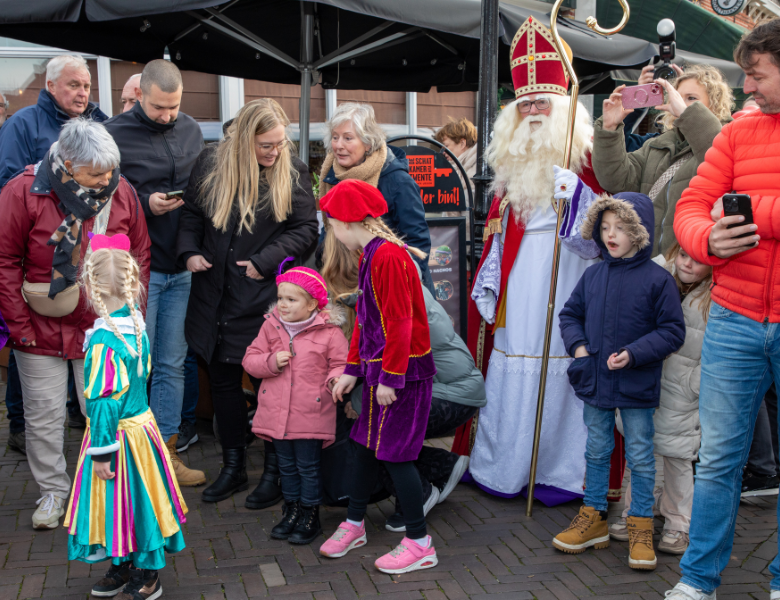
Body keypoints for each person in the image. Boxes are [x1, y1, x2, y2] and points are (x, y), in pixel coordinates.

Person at [457, 16, 614, 505]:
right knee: (515, 358)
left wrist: (582, 198)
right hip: (521, 280)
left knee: (564, 363)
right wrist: (489, 283)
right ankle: (507, 465)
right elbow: (500, 232)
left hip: (571, 276)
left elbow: (610, 233)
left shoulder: (587, 154)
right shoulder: (512, 160)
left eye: (542, 102)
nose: (533, 110)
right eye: (525, 103)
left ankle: (559, 471)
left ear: (565, 106)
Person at [666, 19, 780, 600]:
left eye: (757, 75)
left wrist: (748, 214)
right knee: (716, 462)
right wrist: (706, 240)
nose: (749, 87)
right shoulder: (737, 133)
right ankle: (697, 580)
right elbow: (692, 205)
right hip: (734, 314)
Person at [0, 119, 150, 530]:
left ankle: (105, 489)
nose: (106, 181)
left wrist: (131, 314)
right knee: (44, 416)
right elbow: (5, 261)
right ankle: (53, 492)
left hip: (101, 326)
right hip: (39, 327)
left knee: (103, 409)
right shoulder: (23, 191)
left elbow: (139, 254)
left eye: (110, 171)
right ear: (66, 164)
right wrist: (19, 326)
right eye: (96, 173)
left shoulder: (122, 191)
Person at [178, 98, 318, 506]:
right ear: (242, 141)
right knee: (222, 382)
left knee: (269, 386)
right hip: (213, 295)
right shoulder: (210, 164)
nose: (275, 152)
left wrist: (265, 261)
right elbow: (190, 214)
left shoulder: (292, 171)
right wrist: (188, 251)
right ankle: (233, 467)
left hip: (260, 296)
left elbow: (306, 228)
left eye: (279, 144)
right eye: (266, 145)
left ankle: (275, 472)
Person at [555, 189, 685, 570]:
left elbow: (672, 331)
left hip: (636, 383)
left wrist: (635, 353)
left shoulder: (658, 280)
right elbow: (570, 315)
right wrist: (579, 348)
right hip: (595, 380)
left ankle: (640, 525)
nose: (611, 235)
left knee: (641, 455)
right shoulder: (594, 275)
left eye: (621, 228)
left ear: (640, 231)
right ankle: (593, 516)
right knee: (596, 447)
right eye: (605, 227)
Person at [321, 179, 437, 574]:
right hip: (381, 373)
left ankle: (420, 542)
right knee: (365, 446)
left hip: (401, 375)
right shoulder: (373, 253)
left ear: (347, 221)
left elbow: (401, 322)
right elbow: (368, 323)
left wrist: (390, 377)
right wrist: (354, 370)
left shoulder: (386, 257)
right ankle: (355, 523)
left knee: (397, 456)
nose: (330, 229)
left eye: (331, 221)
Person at [65, 234, 186, 600]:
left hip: (116, 437)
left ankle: (146, 575)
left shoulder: (105, 339)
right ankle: (126, 566)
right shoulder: (134, 322)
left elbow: (102, 402)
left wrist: (101, 451)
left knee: (125, 501)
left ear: (89, 286)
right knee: (139, 500)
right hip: (142, 432)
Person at [104, 59, 206, 487]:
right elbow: (102, 195)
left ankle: (166, 454)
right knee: (133, 364)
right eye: (160, 107)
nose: (168, 116)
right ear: (139, 94)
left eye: (174, 107)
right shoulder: (111, 134)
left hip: (179, 264)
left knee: (170, 362)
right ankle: (129, 455)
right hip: (133, 270)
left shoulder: (192, 130)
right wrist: (146, 203)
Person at [611, 243, 712, 555]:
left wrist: (694, 384)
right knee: (643, 450)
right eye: (683, 255)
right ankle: (638, 509)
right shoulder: (656, 275)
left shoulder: (713, 298)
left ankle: (679, 522)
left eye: (698, 260)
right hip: (647, 378)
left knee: (678, 457)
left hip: (683, 389)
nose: (688, 264)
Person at [243, 264, 347, 545]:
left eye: (292, 299)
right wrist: (270, 362)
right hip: (276, 414)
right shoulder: (270, 325)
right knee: (286, 467)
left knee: (308, 467)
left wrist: (336, 380)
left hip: (310, 414)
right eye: (281, 298)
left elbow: (341, 364)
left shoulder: (330, 333)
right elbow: (250, 358)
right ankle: (291, 511)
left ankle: (309, 514)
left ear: (312, 303)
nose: (283, 305)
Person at [593, 64, 734, 257]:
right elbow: (614, 180)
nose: (679, 102)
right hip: (648, 263)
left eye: (691, 98)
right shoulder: (656, 145)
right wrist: (609, 127)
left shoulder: (727, 140)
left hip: (693, 264)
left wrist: (687, 114)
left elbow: (719, 157)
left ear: (714, 104)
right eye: (676, 94)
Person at [318, 102, 433, 292]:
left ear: (368, 142)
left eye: (348, 138)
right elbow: (330, 227)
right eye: (335, 137)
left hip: (388, 285)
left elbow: (417, 241)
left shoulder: (398, 180)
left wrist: (403, 286)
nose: (338, 145)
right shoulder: (332, 175)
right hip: (343, 282)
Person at [0, 54, 108, 188]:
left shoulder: (100, 125)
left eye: (86, 87)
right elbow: (9, 185)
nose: (83, 93)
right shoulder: (21, 124)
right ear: (52, 86)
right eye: (74, 85)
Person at [433, 117, 477, 193]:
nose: (443, 152)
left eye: (446, 146)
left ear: (462, 144)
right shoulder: (464, 164)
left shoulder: (476, 167)